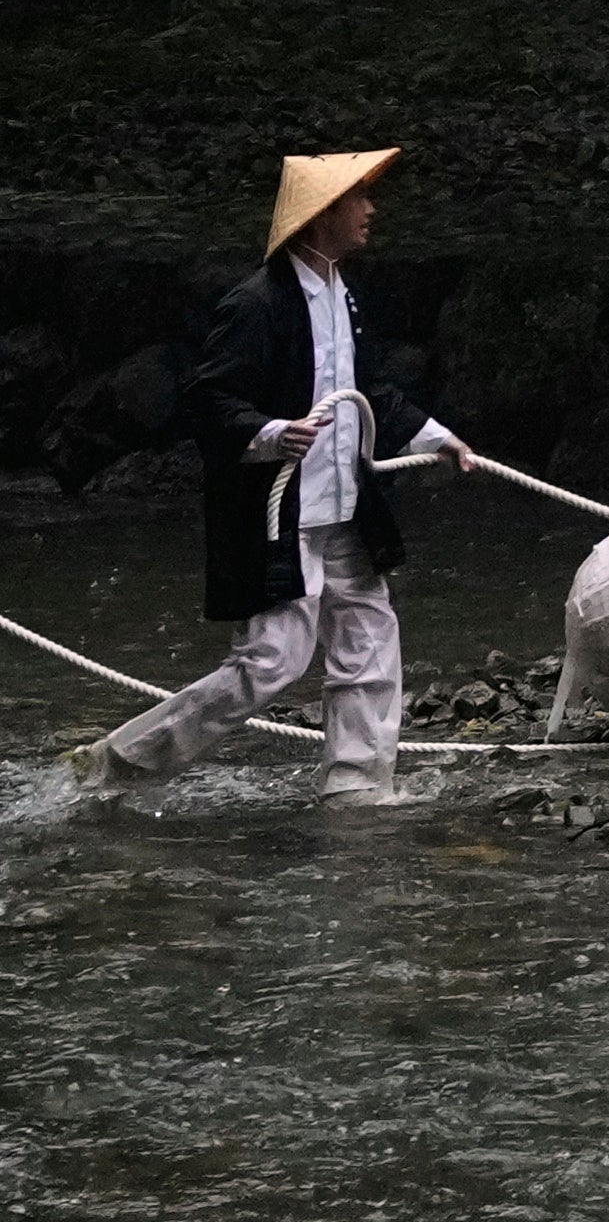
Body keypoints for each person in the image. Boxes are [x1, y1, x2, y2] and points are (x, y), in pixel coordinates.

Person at [75, 151, 468, 806]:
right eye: (357, 200)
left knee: (370, 643)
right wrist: (268, 430)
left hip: (345, 508)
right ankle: (118, 764)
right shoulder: (256, 305)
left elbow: (368, 391)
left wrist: (437, 436)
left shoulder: (348, 296)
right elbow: (209, 400)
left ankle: (355, 789)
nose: (371, 210)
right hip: (278, 516)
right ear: (321, 217)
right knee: (270, 662)